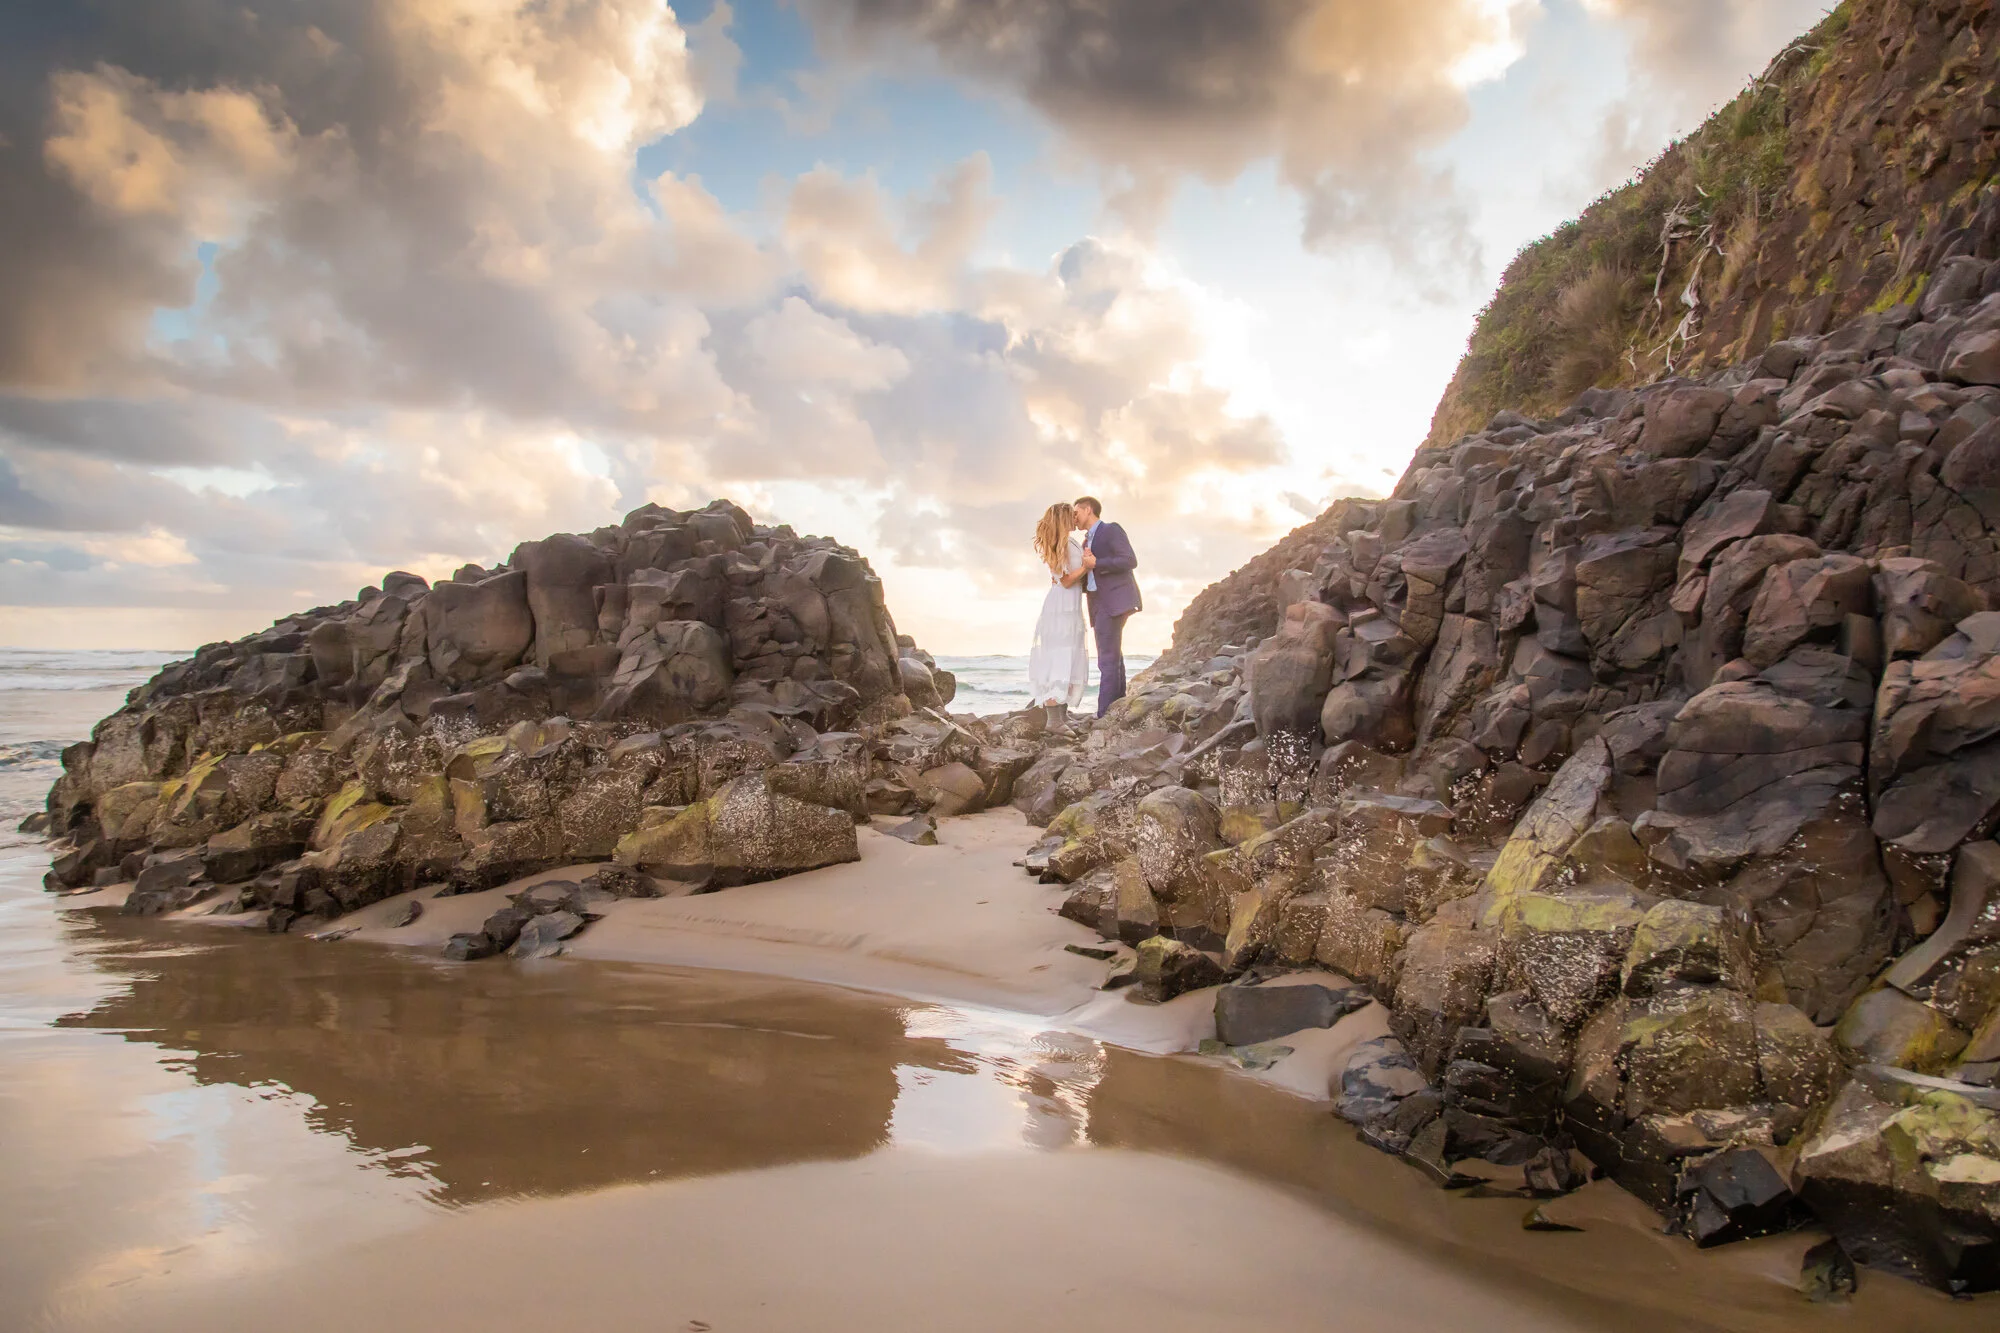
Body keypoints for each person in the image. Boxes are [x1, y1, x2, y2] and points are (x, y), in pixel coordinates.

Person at [1072, 496, 1141, 717]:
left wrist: (1097, 563)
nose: (1074, 518)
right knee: (1113, 656)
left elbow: (1129, 560)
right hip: (1098, 602)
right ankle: (1117, 708)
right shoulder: (1085, 543)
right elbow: (1090, 577)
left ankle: (1104, 715)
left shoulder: (1111, 530)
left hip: (1113, 601)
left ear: (1088, 509)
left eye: (1076, 512)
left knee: (1107, 659)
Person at [1027, 501, 1090, 730]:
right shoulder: (1058, 543)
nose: (1076, 518)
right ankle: (1053, 721)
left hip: (1070, 606)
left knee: (1070, 656)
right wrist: (1086, 567)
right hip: (1060, 607)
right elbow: (1064, 581)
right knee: (1058, 658)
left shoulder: (1071, 542)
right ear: (1063, 518)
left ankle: (1062, 715)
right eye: (1071, 515)